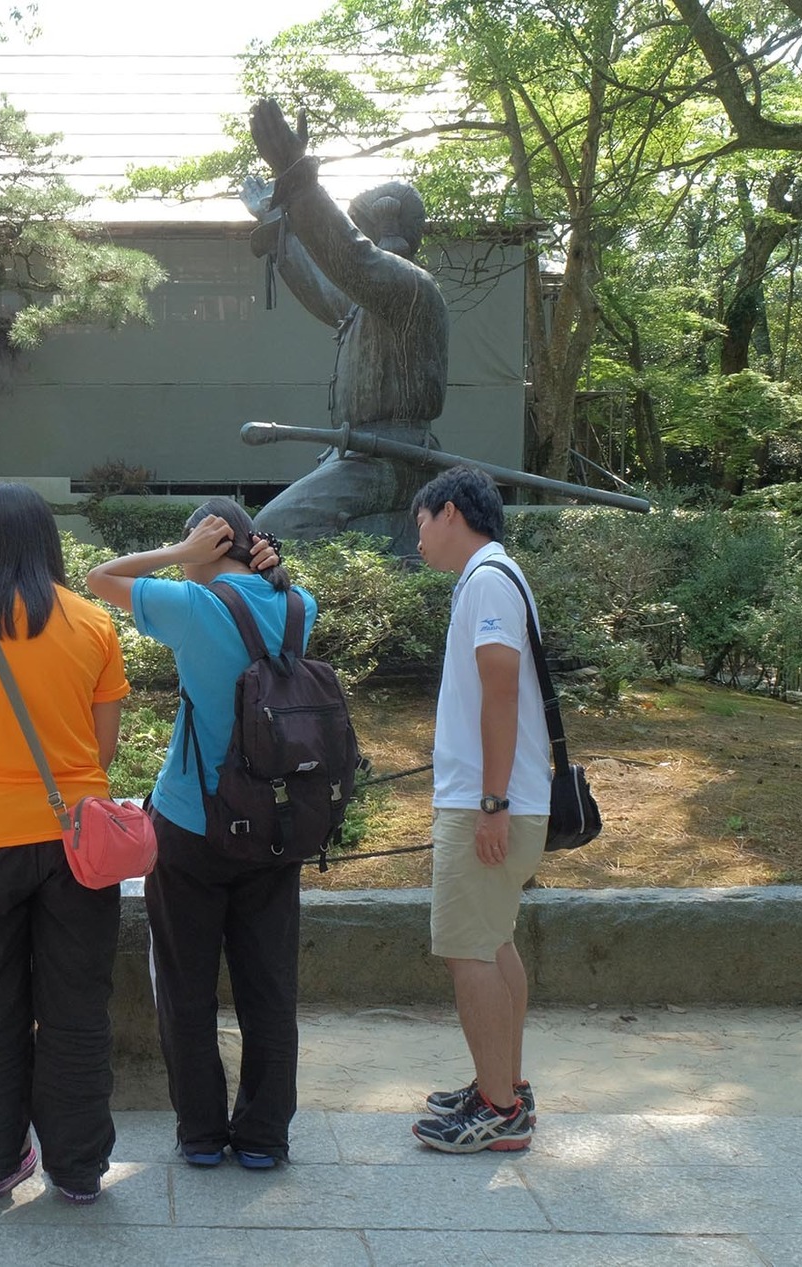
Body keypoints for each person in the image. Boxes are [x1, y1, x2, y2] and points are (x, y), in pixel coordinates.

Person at [0, 482, 131, 1205]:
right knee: (76, 1003)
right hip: (79, 840)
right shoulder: (93, 622)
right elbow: (103, 746)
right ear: (50, 541)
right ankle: (77, 1167)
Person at [84, 499, 304, 1169]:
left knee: (184, 982)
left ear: (210, 541)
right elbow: (275, 604)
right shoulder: (300, 605)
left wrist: (182, 557)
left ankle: (202, 1134)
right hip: (275, 819)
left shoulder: (188, 606)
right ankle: (264, 1135)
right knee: (269, 983)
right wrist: (261, 565)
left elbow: (99, 576)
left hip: (191, 821)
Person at [407, 465, 550, 1153]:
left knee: (468, 949)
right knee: (492, 942)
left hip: (488, 805)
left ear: (451, 512)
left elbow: (500, 687)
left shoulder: (488, 580)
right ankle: (504, 1087)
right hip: (501, 800)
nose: (418, 539)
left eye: (420, 522)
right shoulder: (493, 576)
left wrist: (491, 802)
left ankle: (497, 1109)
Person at [241, 97, 450, 551]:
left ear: (383, 227)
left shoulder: (409, 289)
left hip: (397, 457)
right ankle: (384, 559)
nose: (346, 234)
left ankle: (386, 563)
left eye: (356, 226)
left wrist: (297, 176)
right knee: (277, 529)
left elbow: (350, 257)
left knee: (280, 528)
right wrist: (278, 219)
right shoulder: (370, 300)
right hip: (360, 452)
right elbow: (323, 286)